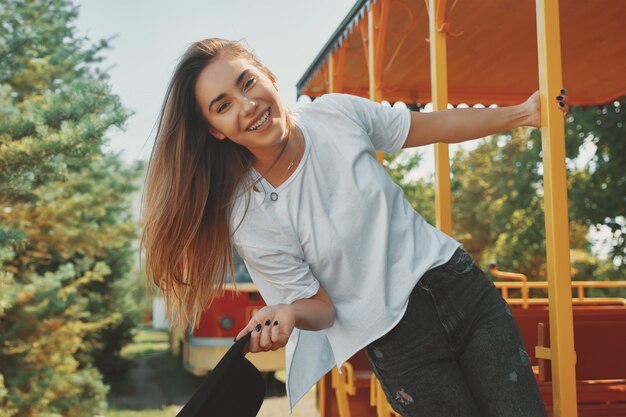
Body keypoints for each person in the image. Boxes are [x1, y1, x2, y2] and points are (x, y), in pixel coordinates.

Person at [141, 38, 569, 417]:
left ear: (269, 76)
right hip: (401, 344)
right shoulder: (248, 214)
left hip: (462, 290)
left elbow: (431, 126)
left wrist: (523, 114)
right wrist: (289, 311)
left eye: (247, 82)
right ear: (215, 131)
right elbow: (322, 307)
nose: (247, 105)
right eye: (223, 105)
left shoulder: (335, 112)